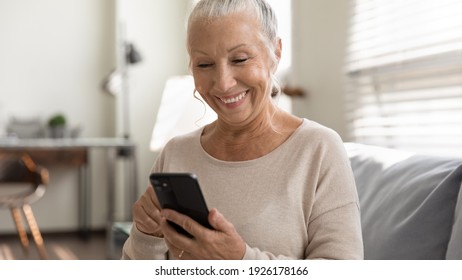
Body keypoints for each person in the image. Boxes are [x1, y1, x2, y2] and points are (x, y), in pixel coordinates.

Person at [122, 0, 363, 260]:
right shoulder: (176, 153)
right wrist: (147, 236)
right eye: (204, 65)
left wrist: (241, 260)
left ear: (276, 52)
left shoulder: (318, 149)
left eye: (240, 59)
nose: (223, 84)